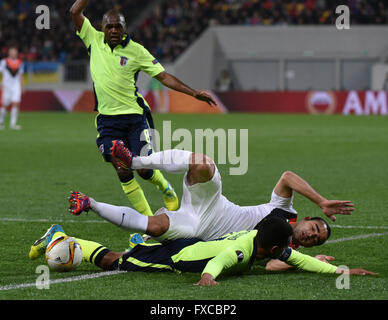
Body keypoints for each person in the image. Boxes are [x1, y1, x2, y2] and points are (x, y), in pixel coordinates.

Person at [67, 143, 354, 268]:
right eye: (314, 227)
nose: (311, 235)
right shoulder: (285, 211)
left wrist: (308, 262)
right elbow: (287, 177)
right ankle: (134, 162)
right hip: (217, 207)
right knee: (203, 164)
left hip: (201, 234)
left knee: (154, 226)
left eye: (316, 240)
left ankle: (89, 202)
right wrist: (322, 201)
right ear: (304, 218)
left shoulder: (285, 251)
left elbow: (272, 268)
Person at [69, 0, 216, 217]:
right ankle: (148, 222)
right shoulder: (93, 39)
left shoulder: (136, 51)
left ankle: (166, 190)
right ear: (102, 28)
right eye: (109, 26)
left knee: (145, 168)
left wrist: (193, 92)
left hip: (135, 118)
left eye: (118, 26)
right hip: (108, 121)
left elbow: (164, 76)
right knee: (123, 169)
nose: (113, 30)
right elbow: (74, 11)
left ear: (124, 28)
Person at [28, 218, 375, 286]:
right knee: (119, 265)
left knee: (127, 259)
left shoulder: (267, 243)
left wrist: (343, 272)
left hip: (189, 247)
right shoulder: (243, 250)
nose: (288, 251)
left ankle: (140, 246)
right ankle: (63, 237)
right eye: (282, 249)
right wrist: (208, 277)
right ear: (270, 247)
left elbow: (300, 261)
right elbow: (221, 260)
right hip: (178, 260)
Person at [0, 46, 24, 130]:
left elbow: (21, 75)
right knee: (4, 105)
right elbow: (1, 72)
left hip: (16, 85)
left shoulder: (20, 62)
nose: (14, 53)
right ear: (9, 53)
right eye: (12, 51)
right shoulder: (4, 62)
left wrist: (22, 86)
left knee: (16, 103)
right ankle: (1, 122)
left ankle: (13, 124)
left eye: (15, 51)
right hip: (6, 85)